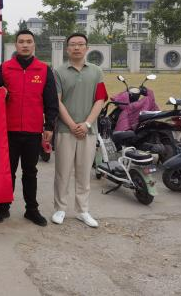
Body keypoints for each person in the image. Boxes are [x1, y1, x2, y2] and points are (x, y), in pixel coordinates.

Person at [0, 29, 59, 227]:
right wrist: (2, 94)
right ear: (16, 45)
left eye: (29, 41)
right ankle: (3, 207)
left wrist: (49, 125)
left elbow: (51, 100)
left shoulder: (43, 70)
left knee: (30, 172)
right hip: (8, 130)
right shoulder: (5, 68)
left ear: (34, 45)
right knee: (8, 172)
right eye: (21, 41)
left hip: (32, 130)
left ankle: (32, 210)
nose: (25, 45)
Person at [52, 33, 107, 228]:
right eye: (73, 45)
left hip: (88, 131)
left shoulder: (96, 72)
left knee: (84, 173)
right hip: (64, 130)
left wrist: (87, 124)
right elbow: (57, 101)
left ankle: (82, 210)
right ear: (67, 49)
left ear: (86, 48)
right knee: (63, 172)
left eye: (80, 44)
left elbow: (100, 100)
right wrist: (71, 124)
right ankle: (60, 208)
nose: (76, 48)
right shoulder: (58, 72)